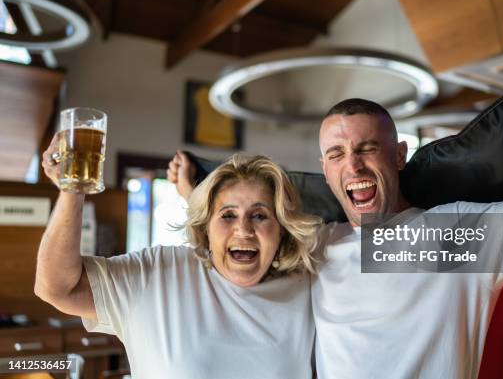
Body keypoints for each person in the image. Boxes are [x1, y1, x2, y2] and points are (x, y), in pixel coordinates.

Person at [169, 98, 503, 379]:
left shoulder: (451, 235)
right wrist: (196, 193)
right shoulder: (317, 244)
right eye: (337, 154)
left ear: (399, 156)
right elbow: (244, 232)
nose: (354, 167)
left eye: (367, 149)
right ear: (325, 170)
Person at [36, 138, 321, 379]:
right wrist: (71, 191)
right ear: (206, 228)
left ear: (281, 230)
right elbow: (58, 288)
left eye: (260, 216)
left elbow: (366, 239)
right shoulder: (158, 274)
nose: (244, 229)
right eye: (228, 215)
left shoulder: (311, 281)